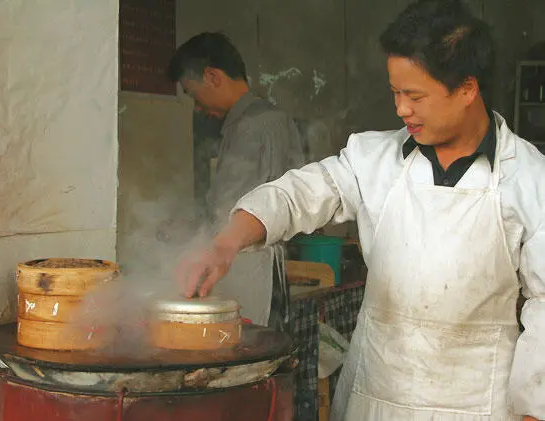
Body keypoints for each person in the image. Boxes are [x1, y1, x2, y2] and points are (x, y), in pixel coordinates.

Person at [175, 2, 545, 420]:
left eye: (415, 95)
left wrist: (534, 411)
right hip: (376, 399)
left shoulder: (530, 180)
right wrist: (228, 242)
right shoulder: (375, 158)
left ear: (466, 89)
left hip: (477, 405)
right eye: (395, 92)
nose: (401, 109)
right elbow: (300, 192)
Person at [167, 32, 306, 329]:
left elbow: (229, 206)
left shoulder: (255, 124)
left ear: (212, 76)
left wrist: (191, 245)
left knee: (243, 348)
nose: (198, 107)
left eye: (193, 94)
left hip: (247, 269)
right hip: (246, 264)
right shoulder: (257, 119)